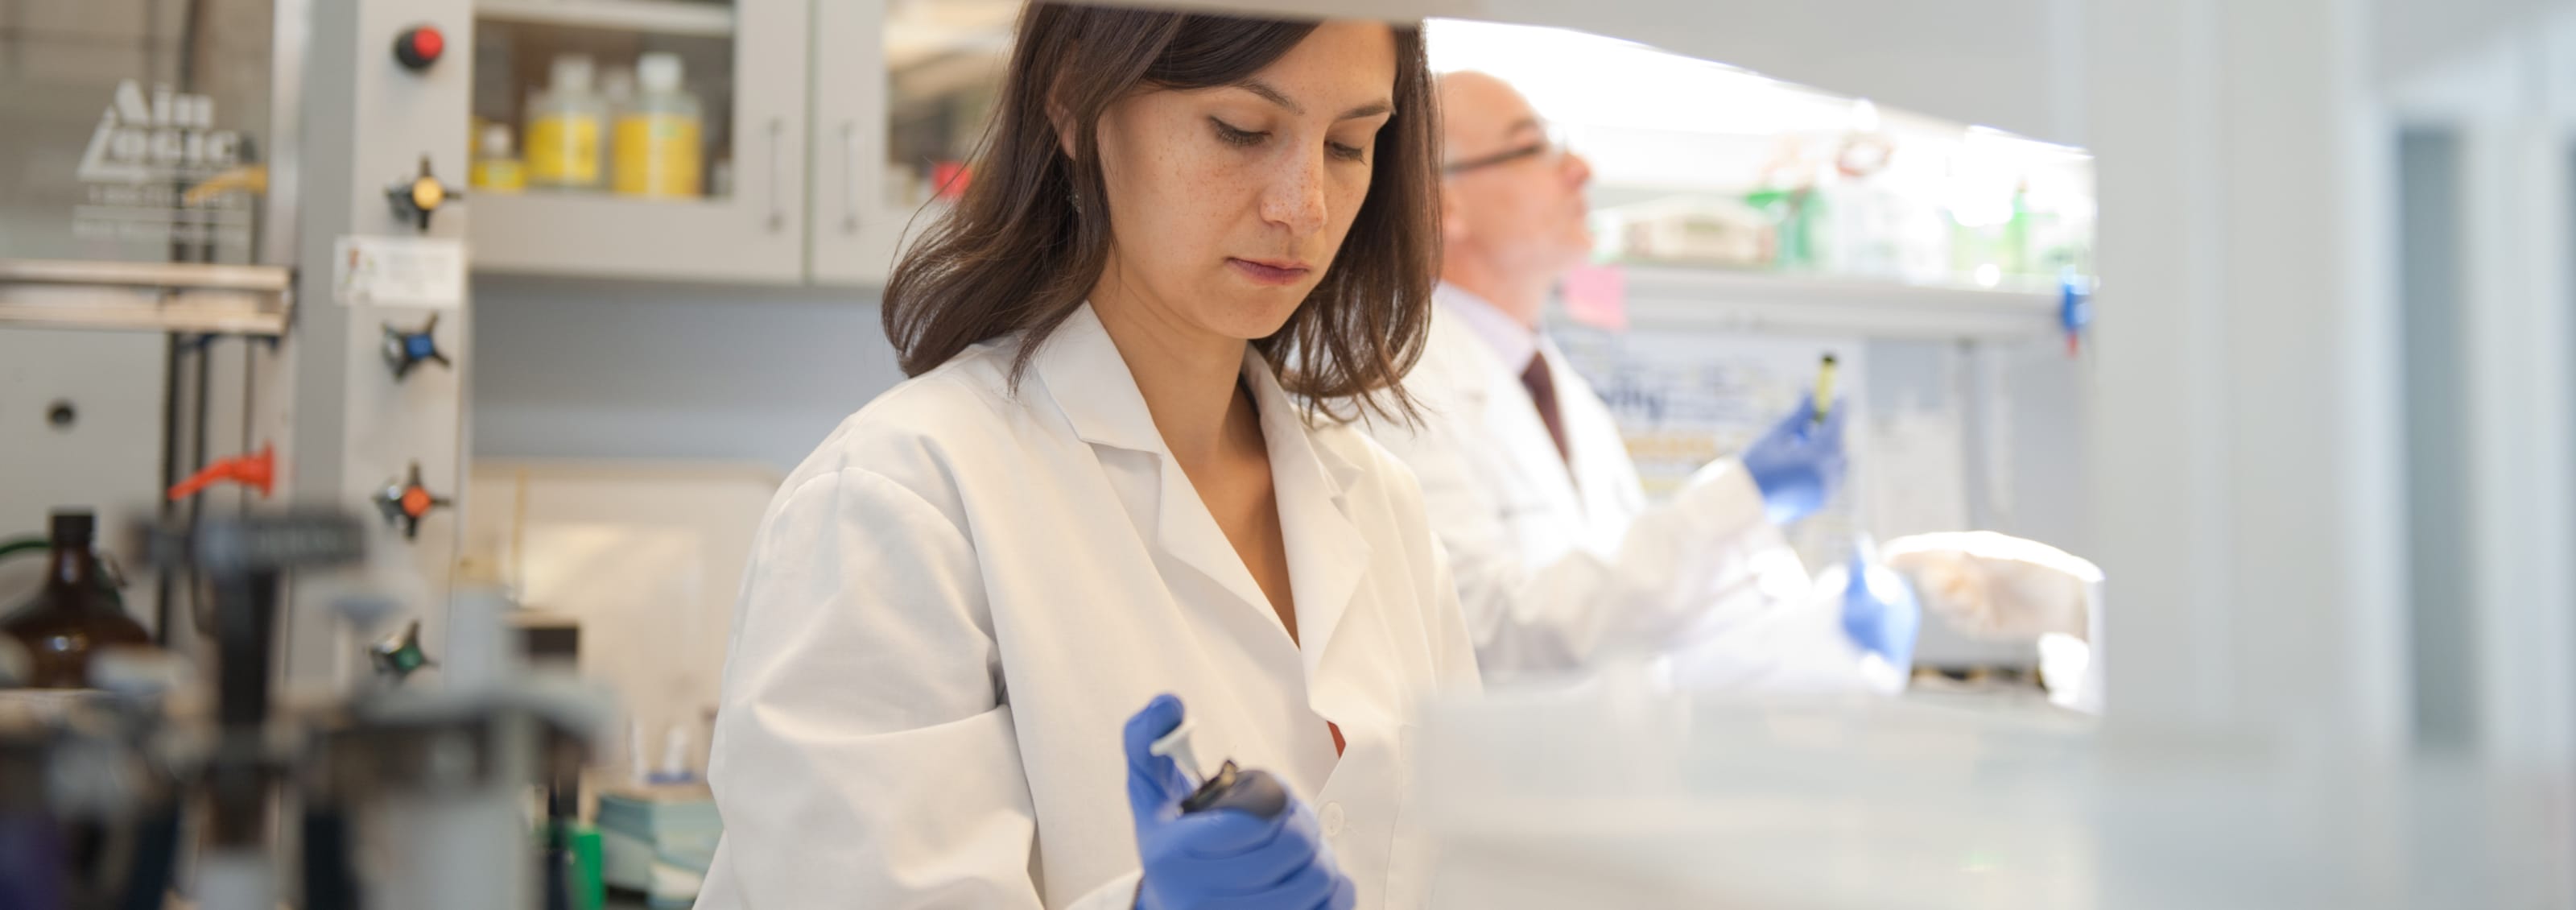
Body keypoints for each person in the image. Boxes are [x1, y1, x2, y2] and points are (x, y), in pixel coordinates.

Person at [698, 6, 1472, 910]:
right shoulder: (899, 498)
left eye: (1348, 145)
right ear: (1072, 103)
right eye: (1241, 130)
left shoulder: (1380, 505)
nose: (1302, 205)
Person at [1364, 71, 1919, 689]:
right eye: (1534, 148)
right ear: (1441, 204)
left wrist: (1825, 632)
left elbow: (1632, 629)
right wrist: (1737, 497)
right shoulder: (1385, 383)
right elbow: (1483, 631)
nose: (1580, 169)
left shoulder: (1564, 393)